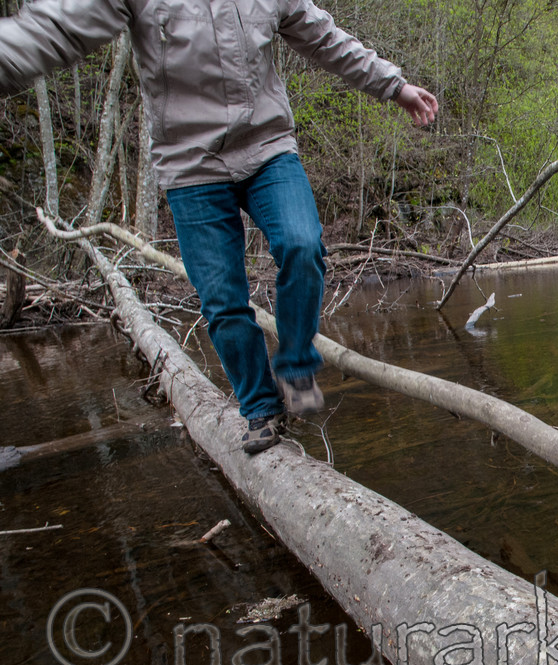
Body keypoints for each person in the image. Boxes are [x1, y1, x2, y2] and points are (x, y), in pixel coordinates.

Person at [0, 0, 438, 453]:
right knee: (223, 301)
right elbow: (57, 27)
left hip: (266, 149)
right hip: (189, 163)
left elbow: (325, 38)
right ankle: (260, 407)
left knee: (302, 244)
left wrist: (395, 86)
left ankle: (295, 363)